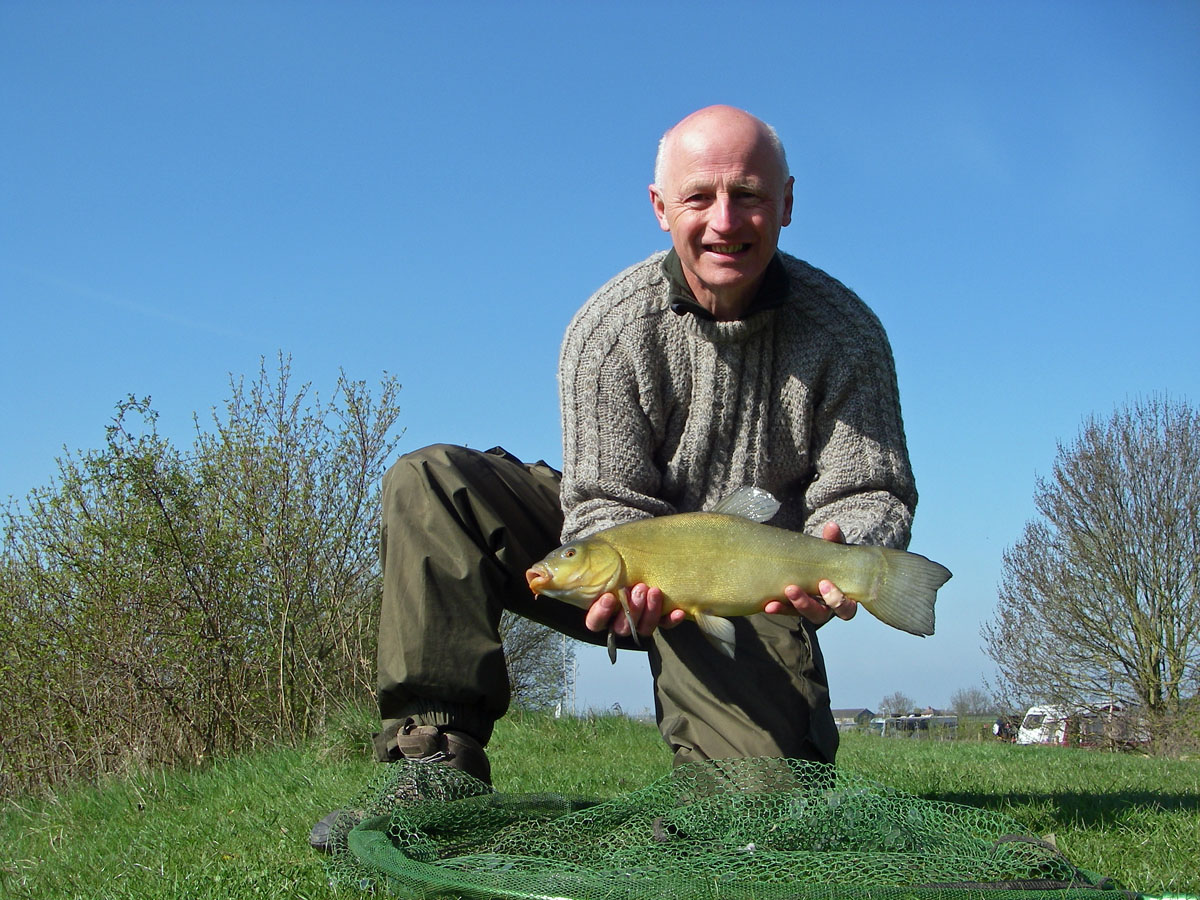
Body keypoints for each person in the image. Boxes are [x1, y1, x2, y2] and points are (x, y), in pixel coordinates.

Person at [310, 104, 917, 851]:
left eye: (749, 195)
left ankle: (741, 782)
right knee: (431, 482)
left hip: (755, 582)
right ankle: (431, 762)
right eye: (699, 197)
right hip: (630, 559)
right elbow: (604, 498)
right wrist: (611, 566)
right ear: (661, 208)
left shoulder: (846, 332)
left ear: (787, 202)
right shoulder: (610, 329)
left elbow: (871, 490)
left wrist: (846, 552)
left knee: (760, 820)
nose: (725, 220)